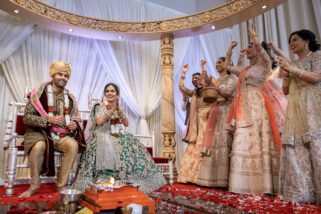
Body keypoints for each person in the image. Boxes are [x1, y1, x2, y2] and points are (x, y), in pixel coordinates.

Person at [74, 83, 166, 193]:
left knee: (134, 144)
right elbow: (99, 122)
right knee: (106, 143)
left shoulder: (119, 107)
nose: (109, 93)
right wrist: (111, 111)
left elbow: (126, 124)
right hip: (102, 134)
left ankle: (138, 180)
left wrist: (119, 111)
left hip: (117, 134)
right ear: (104, 93)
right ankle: (105, 179)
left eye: (112, 91)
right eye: (107, 91)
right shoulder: (98, 106)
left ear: (117, 94)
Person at [224, 25, 282, 194]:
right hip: (243, 106)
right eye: (249, 46)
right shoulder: (246, 69)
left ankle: (263, 185)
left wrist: (254, 35)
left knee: (257, 139)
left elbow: (263, 51)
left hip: (257, 105)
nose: (248, 49)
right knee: (242, 139)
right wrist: (229, 50)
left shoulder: (265, 64)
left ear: (258, 49)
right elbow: (228, 67)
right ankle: (242, 184)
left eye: (251, 46)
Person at [19, 61, 86, 198]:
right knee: (38, 146)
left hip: (60, 135)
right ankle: (35, 185)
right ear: (53, 75)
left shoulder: (70, 98)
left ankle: (61, 184)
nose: (63, 78)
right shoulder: (38, 93)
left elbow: (76, 120)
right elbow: (27, 118)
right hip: (40, 133)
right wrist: (48, 120)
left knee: (72, 145)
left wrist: (74, 124)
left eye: (66, 76)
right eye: (60, 74)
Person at [277, 29, 321, 204]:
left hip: (313, 105)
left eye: (295, 39)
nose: (291, 44)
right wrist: (286, 74)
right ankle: (304, 192)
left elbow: (317, 77)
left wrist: (291, 69)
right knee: (298, 149)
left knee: (317, 146)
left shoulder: (316, 55)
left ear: (307, 41)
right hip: (295, 109)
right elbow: (285, 91)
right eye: (290, 42)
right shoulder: (293, 63)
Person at [196, 57, 237, 187]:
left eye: (220, 62)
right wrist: (203, 67)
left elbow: (227, 93)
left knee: (225, 140)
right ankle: (215, 179)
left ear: (228, 64)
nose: (217, 64)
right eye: (216, 62)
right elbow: (207, 82)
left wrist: (216, 87)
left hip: (228, 111)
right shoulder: (218, 80)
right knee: (215, 143)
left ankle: (227, 179)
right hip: (217, 112)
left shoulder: (233, 79)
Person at [177, 61, 212, 183]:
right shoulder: (194, 93)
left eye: (201, 79)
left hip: (207, 124)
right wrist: (183, 73)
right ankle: (190, 176)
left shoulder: (209, 91)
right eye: (197, 79)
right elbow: (181, 87)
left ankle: (204, 177)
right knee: (194, 149)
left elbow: (208, 79)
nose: (199, 81)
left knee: (204, 148)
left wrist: (203, 67)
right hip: (196, 124)